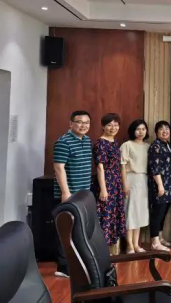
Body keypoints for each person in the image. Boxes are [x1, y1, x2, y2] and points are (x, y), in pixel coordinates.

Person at [52, 110, 93, 277]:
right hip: (69, 194)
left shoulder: (87, 140)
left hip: (83, 193)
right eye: (79, 122)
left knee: (78, 229)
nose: (83, 125)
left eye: (87, 122)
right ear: (70, 124)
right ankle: (63, 267)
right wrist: (65, 192)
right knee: (66, 229)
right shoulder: (63, 142)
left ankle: (77, 263)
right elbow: (58, 168)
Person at [92, 113, 127, 253]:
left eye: (116, 125)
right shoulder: (100, 144)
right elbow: (100, 168)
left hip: (115, 183)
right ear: (103, 126)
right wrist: (103, 189)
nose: (113, 128)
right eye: (109, 125)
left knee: (114, 215)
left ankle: (113, 251)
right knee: (105, 216)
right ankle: (102, 252)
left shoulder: (114, 142)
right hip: (106, 183)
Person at [120, 119, 150, 253]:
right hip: (131, 179)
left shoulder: (148, 146)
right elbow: (122, 166)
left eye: (143, 129)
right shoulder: (127, 145)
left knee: (139, 213)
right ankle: (129, 245)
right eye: (138, 129)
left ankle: (136, 244)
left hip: (143, 181)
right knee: (130, 212)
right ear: (133, 131)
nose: (140, 132)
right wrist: (125, 183)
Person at [148, 120, 171, 251]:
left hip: (168, 184)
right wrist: (160, 185)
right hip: (160, 185)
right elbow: (155, 168)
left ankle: (160, 238)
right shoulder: (156, 146)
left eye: (167, 128)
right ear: (156, 132)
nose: (165, 131)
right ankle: (154, 242)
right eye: (161, 129)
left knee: (163, 212)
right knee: (157, 213)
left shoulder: (167, 144)